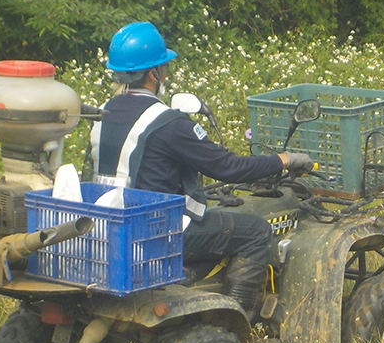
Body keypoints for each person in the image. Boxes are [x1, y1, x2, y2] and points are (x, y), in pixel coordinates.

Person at [90, 21, 313, 314]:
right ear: (154, 73)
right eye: (164, 67)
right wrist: (281, 160)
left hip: (108, 228)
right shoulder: (167, 122)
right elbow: (228, 167)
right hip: (157, 231)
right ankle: (238, 318)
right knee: (257, 232)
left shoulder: (102, 114)